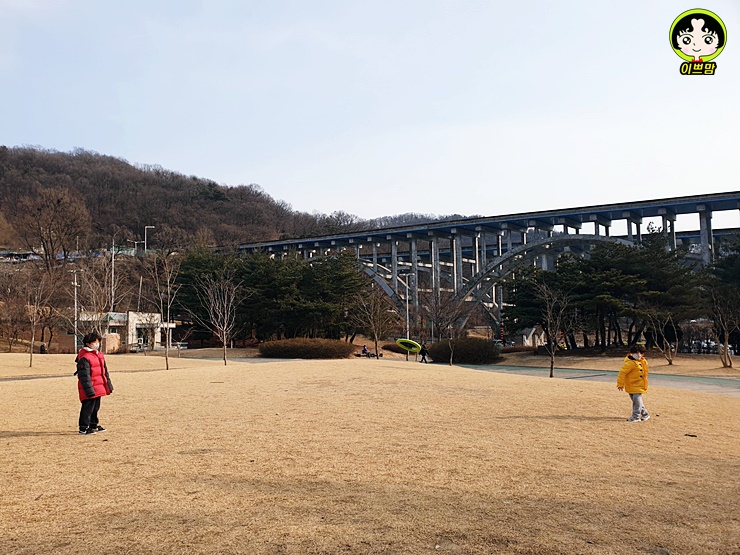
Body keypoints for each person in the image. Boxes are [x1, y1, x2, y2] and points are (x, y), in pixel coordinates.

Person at [75, 332, 114, 435]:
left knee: (95, 407)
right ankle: (83, 428)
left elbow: (104, 371)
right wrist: (89, 389)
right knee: (87, 407)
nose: (97, 344)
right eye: (95, 342)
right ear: (88, 344)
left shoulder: (98, 355)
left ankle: (93, 424)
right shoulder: (84, 357)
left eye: (98, 342)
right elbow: (84, 376)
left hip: (99, 386)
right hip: (90, 387)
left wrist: (108, 385)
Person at [617, 344, 649, 423]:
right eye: (636, 353)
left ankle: (636, 416)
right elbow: (622, 373)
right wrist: (620, 384)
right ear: (632, 353)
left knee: (637, 401)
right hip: (631, 385)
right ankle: (645, 414)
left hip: (639, 385)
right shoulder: (630, 363)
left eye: (640, 353)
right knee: (637, 402)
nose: (638, 355)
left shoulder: (643, 361)